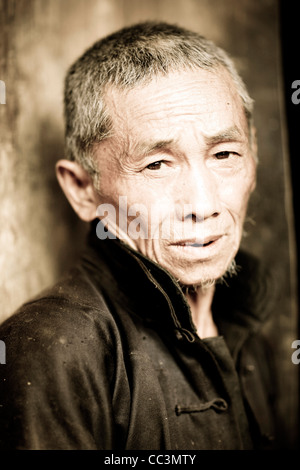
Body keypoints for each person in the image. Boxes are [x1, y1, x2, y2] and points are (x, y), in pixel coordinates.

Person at [0, 21, 280, 450]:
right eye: (157, 165)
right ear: (83, 189)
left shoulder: (247, 318)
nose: (204, 205)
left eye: (224, 154)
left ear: (254, 153)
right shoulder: (49, 351)